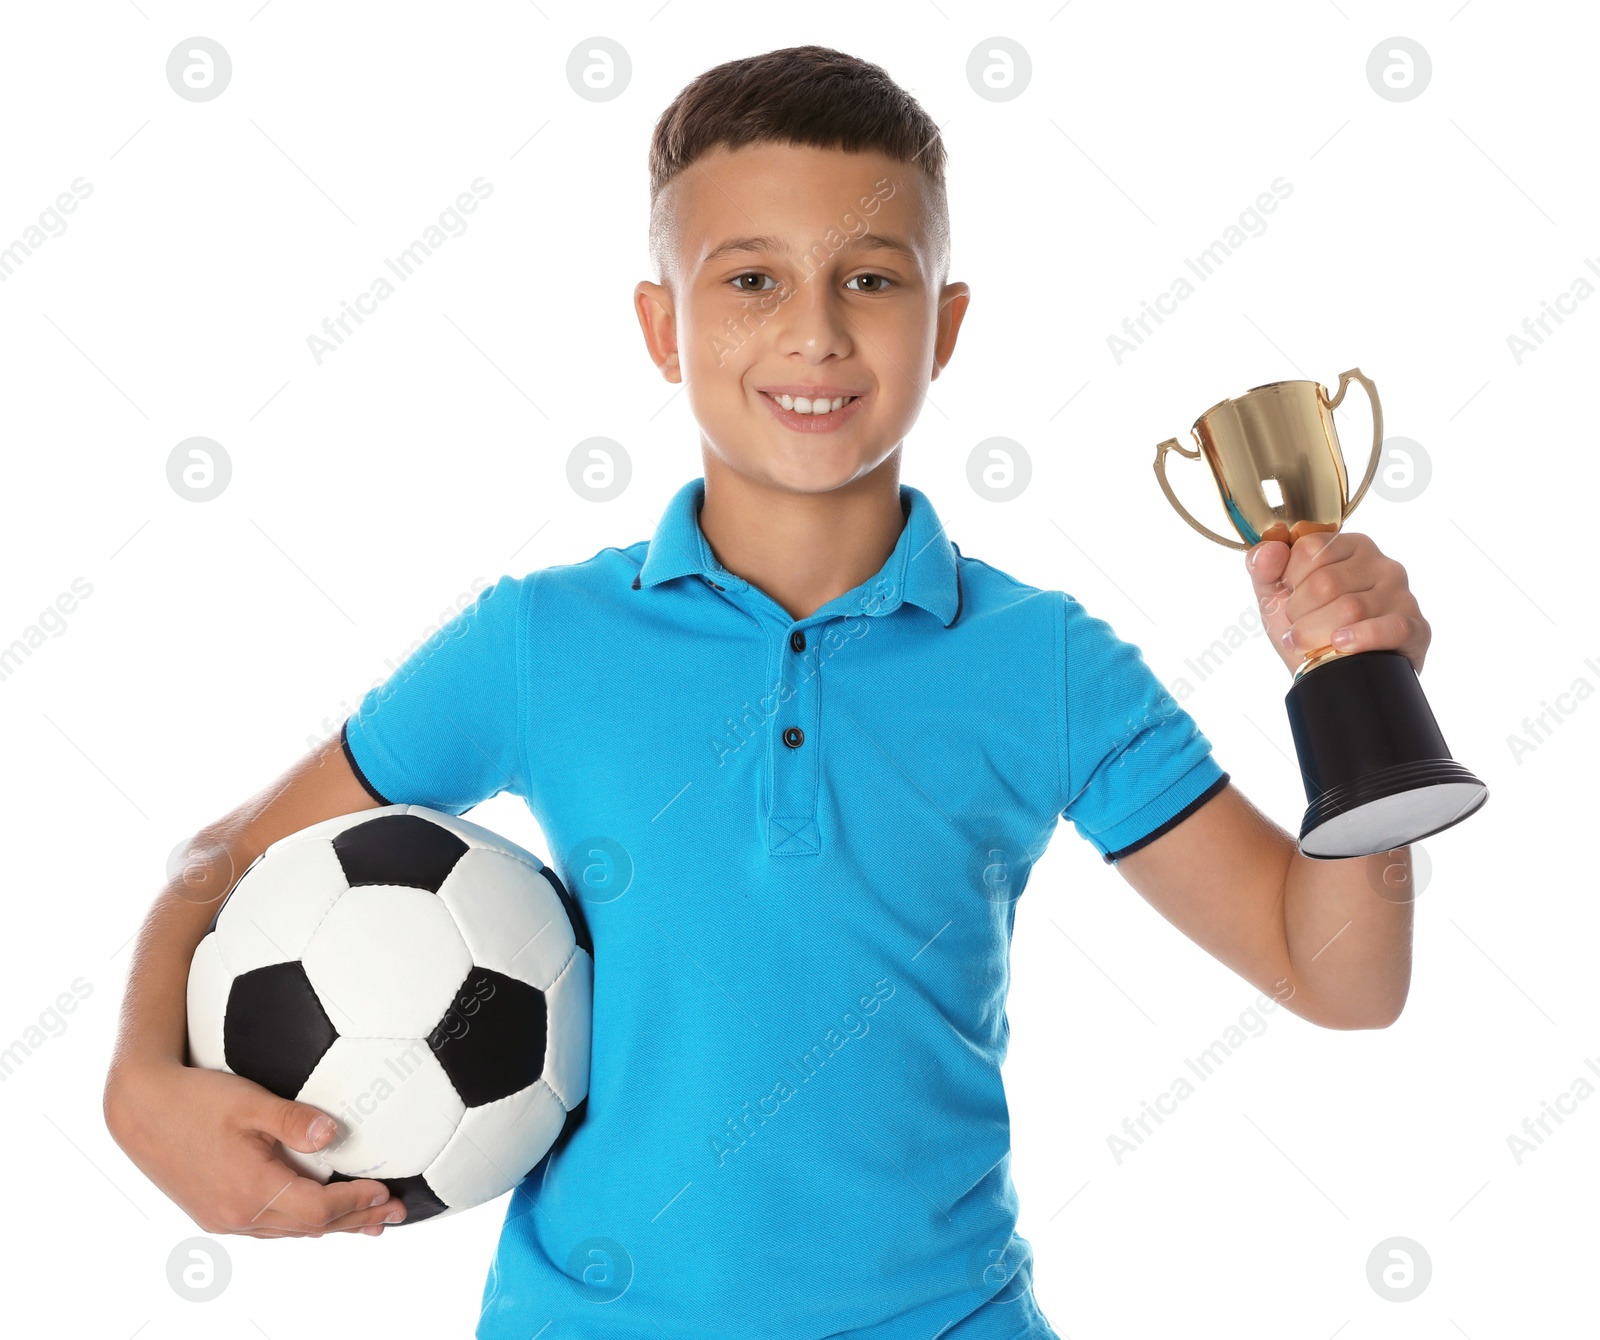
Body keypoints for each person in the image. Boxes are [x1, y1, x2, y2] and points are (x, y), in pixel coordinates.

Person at [104, 44, 1428, 1340]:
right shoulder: (540, 642)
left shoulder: (1044, 662)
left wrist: (1355, 689)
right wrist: (136, 1095)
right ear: (662, 329)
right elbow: (227, 859)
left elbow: (1343, 982)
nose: (815, 330)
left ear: (945, 326)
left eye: (870, 278)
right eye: (751, 278)